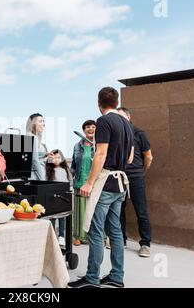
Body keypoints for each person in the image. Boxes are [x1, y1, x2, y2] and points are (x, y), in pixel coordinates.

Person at [68, 87, 134, 289]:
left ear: (99, 103)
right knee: (114, 230)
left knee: (96, 231)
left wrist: (89, 182)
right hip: (121, 185)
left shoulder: (104, 121)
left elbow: (101, 154)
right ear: (116, 101)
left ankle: (92, 277)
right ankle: (116, 275)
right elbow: (130, 158)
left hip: (105, 183)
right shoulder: (127, 124)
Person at [118, 107, 153, 258]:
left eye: (121, 117)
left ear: (128, 116)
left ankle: (145, 244)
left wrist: (140, 171)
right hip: (119, 176)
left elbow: (148, 157)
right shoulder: (116, 134)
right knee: (118, 209)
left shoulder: (139, 133)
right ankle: (121, 240)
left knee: (141, 211)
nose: (119, 120)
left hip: (136, 177)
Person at [71, 120, 96, 246]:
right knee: (79, 212)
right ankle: (78, 236)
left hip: (95, 183)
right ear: (84, 130)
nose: (90, 129)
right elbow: (73, 166)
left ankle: (96, 237)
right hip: (80, 182)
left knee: (94, 211)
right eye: (87, 127)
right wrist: (71, 179)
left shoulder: (99, 145)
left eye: (93, 126)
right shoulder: (77, 146)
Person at [46, 149, 72, 247]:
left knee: (62, 218)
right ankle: (52, 237)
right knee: (52, 217)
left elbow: (69, 182)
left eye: (58, 157)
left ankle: (61, 236)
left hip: (63, 197)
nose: (56, 160)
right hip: (53, 197)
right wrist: (49, 157)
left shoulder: (65, 170)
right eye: (54, 158)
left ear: (62, 158)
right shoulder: (49, 171)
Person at [26, 113, 53, 181]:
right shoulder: (32, 137)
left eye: (43, 121)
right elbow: (34, 160)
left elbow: (32, 155)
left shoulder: (29, 136)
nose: (43, 124)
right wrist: (43, 180)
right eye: (40, 121)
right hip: (36, 176)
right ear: (33, 123)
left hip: (34, 176)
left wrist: (44, 154)